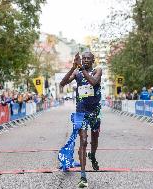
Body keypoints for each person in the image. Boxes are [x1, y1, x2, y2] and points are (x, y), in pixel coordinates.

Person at [60, 51, 102, 188]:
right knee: (83, 141)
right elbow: (62, 83)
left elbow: (93, 81)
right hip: (81, 111)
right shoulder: (77, 73)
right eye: (83, 58)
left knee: (94, 139)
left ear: (93, 60)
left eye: (88, 58)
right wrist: (73, 67)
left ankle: (93, 156)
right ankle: (83, 176)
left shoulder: (97, 70)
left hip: (95, 111)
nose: (85, 60)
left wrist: (81, 68)